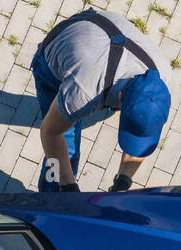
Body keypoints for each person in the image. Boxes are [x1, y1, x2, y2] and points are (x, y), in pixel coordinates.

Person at [30, 10, 173, 193]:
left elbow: (143, 130)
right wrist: (67, 185)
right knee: (66, 145)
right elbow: (49, 132)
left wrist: (123, 181)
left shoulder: (163, 81)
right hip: (55, 57)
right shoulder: (84, 92)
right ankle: (50, 198)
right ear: (120, 98)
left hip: (101, 37)